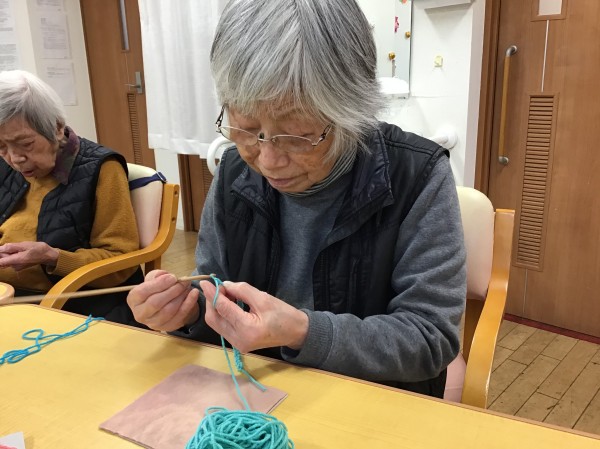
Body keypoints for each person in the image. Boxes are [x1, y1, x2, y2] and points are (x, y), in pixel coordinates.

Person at [127, 0, 466, 397]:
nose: (268, 160)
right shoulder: (236, 172)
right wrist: (183, 312)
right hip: (257, 394)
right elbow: (213, 289)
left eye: (298, 135)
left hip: (368, 401)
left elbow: (430, 338)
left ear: (352, 112)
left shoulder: (417, 176)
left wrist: (304, 332)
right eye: (247, 128)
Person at [0, 69, 143, 324]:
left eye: (26, 144)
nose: (15, 158)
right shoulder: (7, 165)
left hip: (71, 303)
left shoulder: (102, 169)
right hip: (8, 297)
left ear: (56, 128)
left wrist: (52, 256)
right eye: (1, 147)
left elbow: (120, 260)